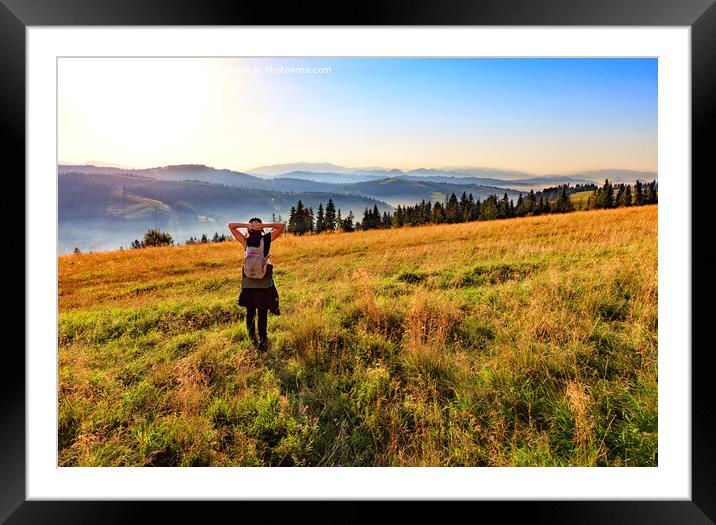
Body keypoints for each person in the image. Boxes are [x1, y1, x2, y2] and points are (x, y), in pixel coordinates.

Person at [227, 218, 285, 351]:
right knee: (262, 310)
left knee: (250, 310)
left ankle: (252, 337)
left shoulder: (245, 241)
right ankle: (263, 339)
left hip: (249, 281)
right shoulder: (266, 239)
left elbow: (231, 226)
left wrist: (248, 226)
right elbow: (281, 227)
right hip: (263, 280)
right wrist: (262, 226)